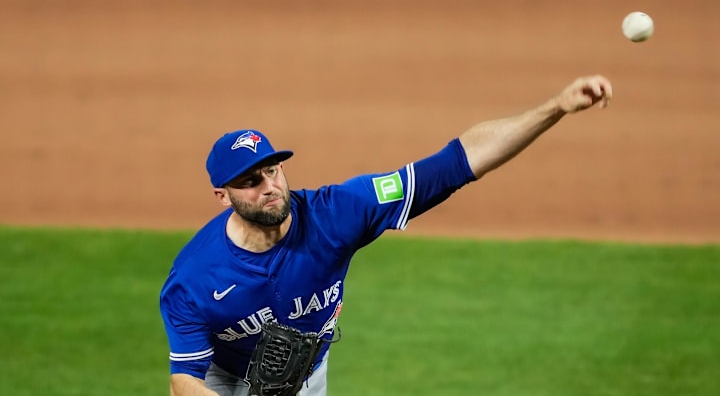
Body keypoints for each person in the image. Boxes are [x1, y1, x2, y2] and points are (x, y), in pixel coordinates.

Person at [159, 75, 613, 396]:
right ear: (223, 196)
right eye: (251, 181)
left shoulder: (337, 214)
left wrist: (556, 107)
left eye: (272, 170)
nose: (270, 187)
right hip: (223, 385)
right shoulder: (195, 278)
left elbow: (455, 163)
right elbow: (184, 380)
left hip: (304, 379)